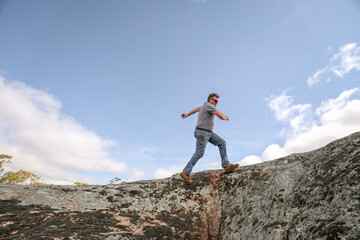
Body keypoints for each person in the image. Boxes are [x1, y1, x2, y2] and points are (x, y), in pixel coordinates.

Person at [180, 93, 239, 185]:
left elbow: (195, 110)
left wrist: (186, 115)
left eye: (217, 102)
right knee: (199, 153)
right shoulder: (208, 105)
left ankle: (226, 165)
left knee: (222, 142)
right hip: (203, 132)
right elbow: (219, 114)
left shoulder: (203, 106)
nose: (216, 103)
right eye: (215, 101)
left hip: (208, 132)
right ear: (210, 99)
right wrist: (224, 117)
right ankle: (185, 172)